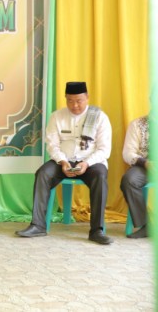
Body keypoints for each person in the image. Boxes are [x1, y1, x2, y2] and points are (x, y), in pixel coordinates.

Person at [16, 81, 113, 245]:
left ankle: (97, 230)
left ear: (87, 97)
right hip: (63, 161)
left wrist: (86, 163)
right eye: (70, 101)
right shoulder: (57, 116)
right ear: (65, 99)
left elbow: (104, 149)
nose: (74, 105)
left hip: (90, 163)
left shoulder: (99, 117)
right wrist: (62, 161)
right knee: (43, 173)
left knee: (100, 176)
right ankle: (38, 225)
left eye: (79, 101)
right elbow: (52, 145)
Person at [121, 115, 150, 238]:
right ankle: (146, 225)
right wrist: (146, 163)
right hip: (144, 166)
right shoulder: (137, 124)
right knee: (129, 180)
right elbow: (128, 153)